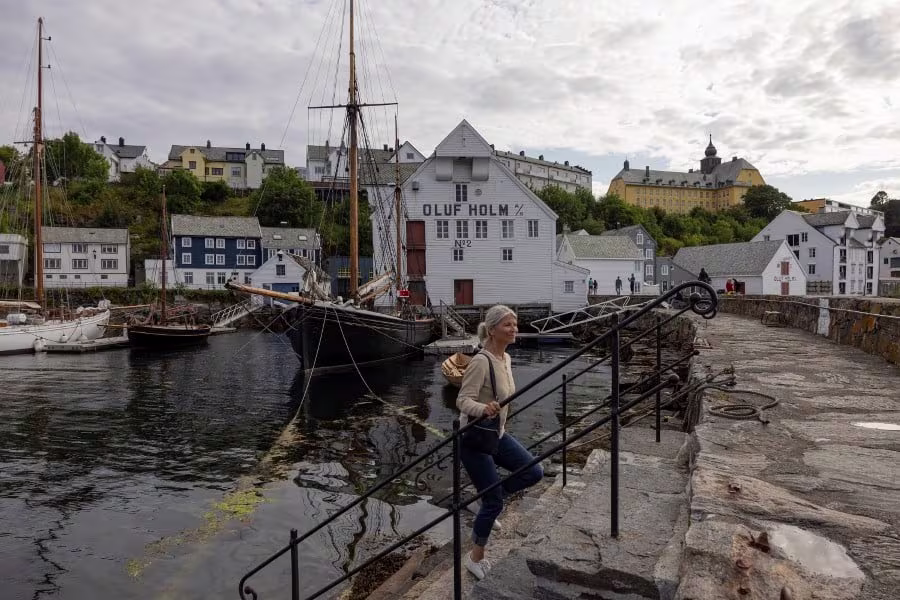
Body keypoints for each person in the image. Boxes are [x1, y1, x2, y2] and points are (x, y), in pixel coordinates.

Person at [456, 305, 543, 580]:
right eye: (508, 324)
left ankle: (483, 500)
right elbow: (462, 400)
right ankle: (475, 559)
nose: (514, 329)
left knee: (533, 471)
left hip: (497, 433)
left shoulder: (505, 358)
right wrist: (483, 408)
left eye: (515, 324)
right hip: (474, 439)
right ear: (492, 330)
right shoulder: (481, 361)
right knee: (494, 503)